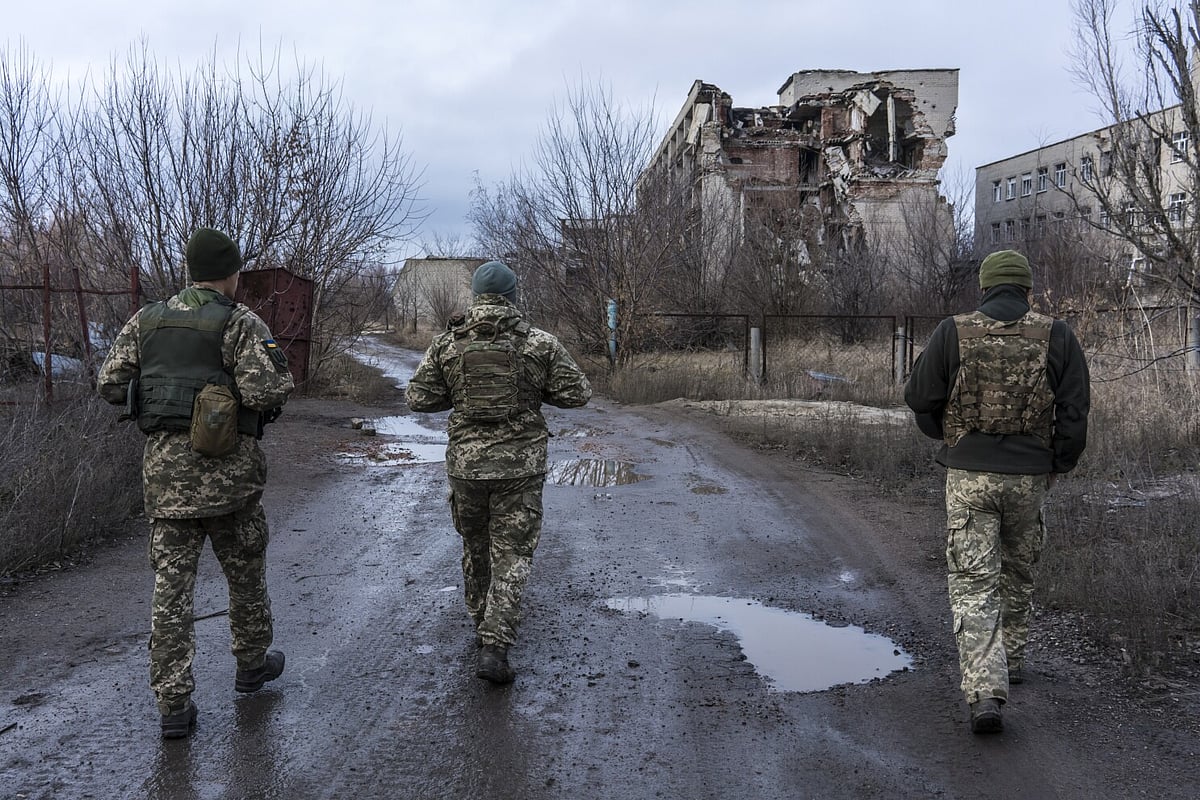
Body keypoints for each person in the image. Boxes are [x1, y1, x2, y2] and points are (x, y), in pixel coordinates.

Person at [98, 228, 295, 738]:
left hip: (167, 483)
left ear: (190, 271)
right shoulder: (240, 322)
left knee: (171, 592)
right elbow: (268, 389)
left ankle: (173, 705)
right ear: (231, 273)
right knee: (244, 574)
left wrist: (161, 392)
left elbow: (110, 384)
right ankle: (251, 664)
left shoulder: (147, 319)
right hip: (229, 481)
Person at [903, 249, 1089, 734]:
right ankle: (1013, 658)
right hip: (1030, 477)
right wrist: (1058, 464)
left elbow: (918, 396)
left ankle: (986, 691)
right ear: (1028, 290)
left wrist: (945, 435)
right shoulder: (1057, 334)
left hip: (969, 475)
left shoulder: (954, 331)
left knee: (974, 581)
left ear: (983, 288)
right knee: (1018, 569)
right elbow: (1074, 412)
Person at [405, 260, 592, 684]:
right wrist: (535, 390)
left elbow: (418, 398)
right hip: (520, 467)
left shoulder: (448, 344)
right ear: (512, 297)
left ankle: (482, 623)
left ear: (475, 297)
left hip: (467, 467)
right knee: (513, 554)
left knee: (475, 546)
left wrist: (459, 396)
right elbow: (578, 393)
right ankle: (495, 643)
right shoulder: (539, 343)